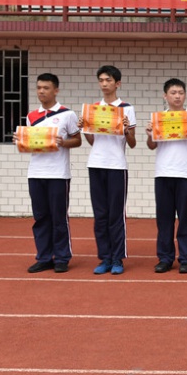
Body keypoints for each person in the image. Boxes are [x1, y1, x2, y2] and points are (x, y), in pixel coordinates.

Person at [19, 73, 82, 273]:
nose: (41, 91)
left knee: (59, 218)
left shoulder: (67, 114)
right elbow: (30, 144)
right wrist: (21, 141)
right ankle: (44, 257)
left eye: (46, 88)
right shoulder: (31, 116)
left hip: (58, 174)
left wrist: (64, 142)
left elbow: (78, 140)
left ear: (56, 90)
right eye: (39, 88)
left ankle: (62, 257)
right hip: (36, 173)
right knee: (40, 217)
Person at [78, 65, 136, 276]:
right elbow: (92, 141)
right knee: (100, 214)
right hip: (96, 164)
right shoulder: (93, 109)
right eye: (101, 80)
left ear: (117, 83)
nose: (104, 84)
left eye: (108, 80)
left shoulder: (126, 108)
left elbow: (132, 143)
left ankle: (118, 258)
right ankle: (105, 257)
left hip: (117, 166)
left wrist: (127, 129)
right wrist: (84, 127)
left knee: (116, 215)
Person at [146, 78, 187, 274]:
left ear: (185, 95)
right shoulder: (159, 118)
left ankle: (186, 258)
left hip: (185, 174)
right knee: (164, 220)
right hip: (163, 173)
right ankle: (165, 258)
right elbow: (151, 146)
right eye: (173, 93)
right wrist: (149, 134)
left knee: (185, 218)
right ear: (165, 96)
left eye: (180, 93)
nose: (177, 96)